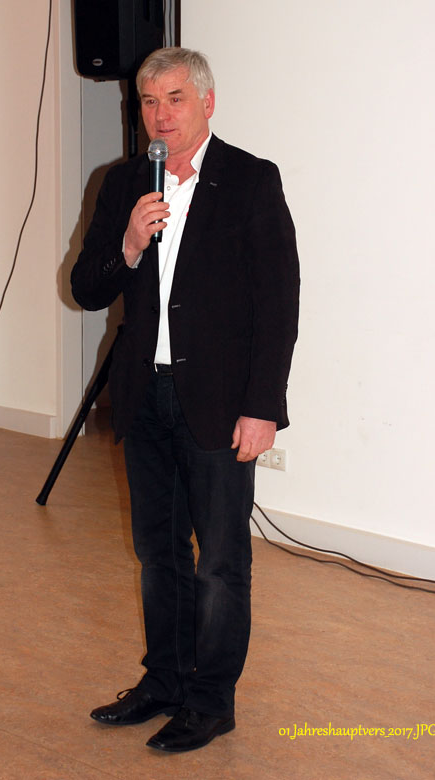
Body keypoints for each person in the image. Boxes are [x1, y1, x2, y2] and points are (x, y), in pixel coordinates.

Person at [71, 47, 300, 753]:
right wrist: (128, 245)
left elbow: (278, 304)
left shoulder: (251, 180)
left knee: (221, 561)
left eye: (174, 98)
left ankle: (210, 701)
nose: (160, 115)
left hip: (220, 402)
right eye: (149, 101)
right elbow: (86, 288)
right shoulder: (123, 184)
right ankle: (165, 681)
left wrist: (263, 407)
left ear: (206, 102)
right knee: (159, 552)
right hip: (144, 395)